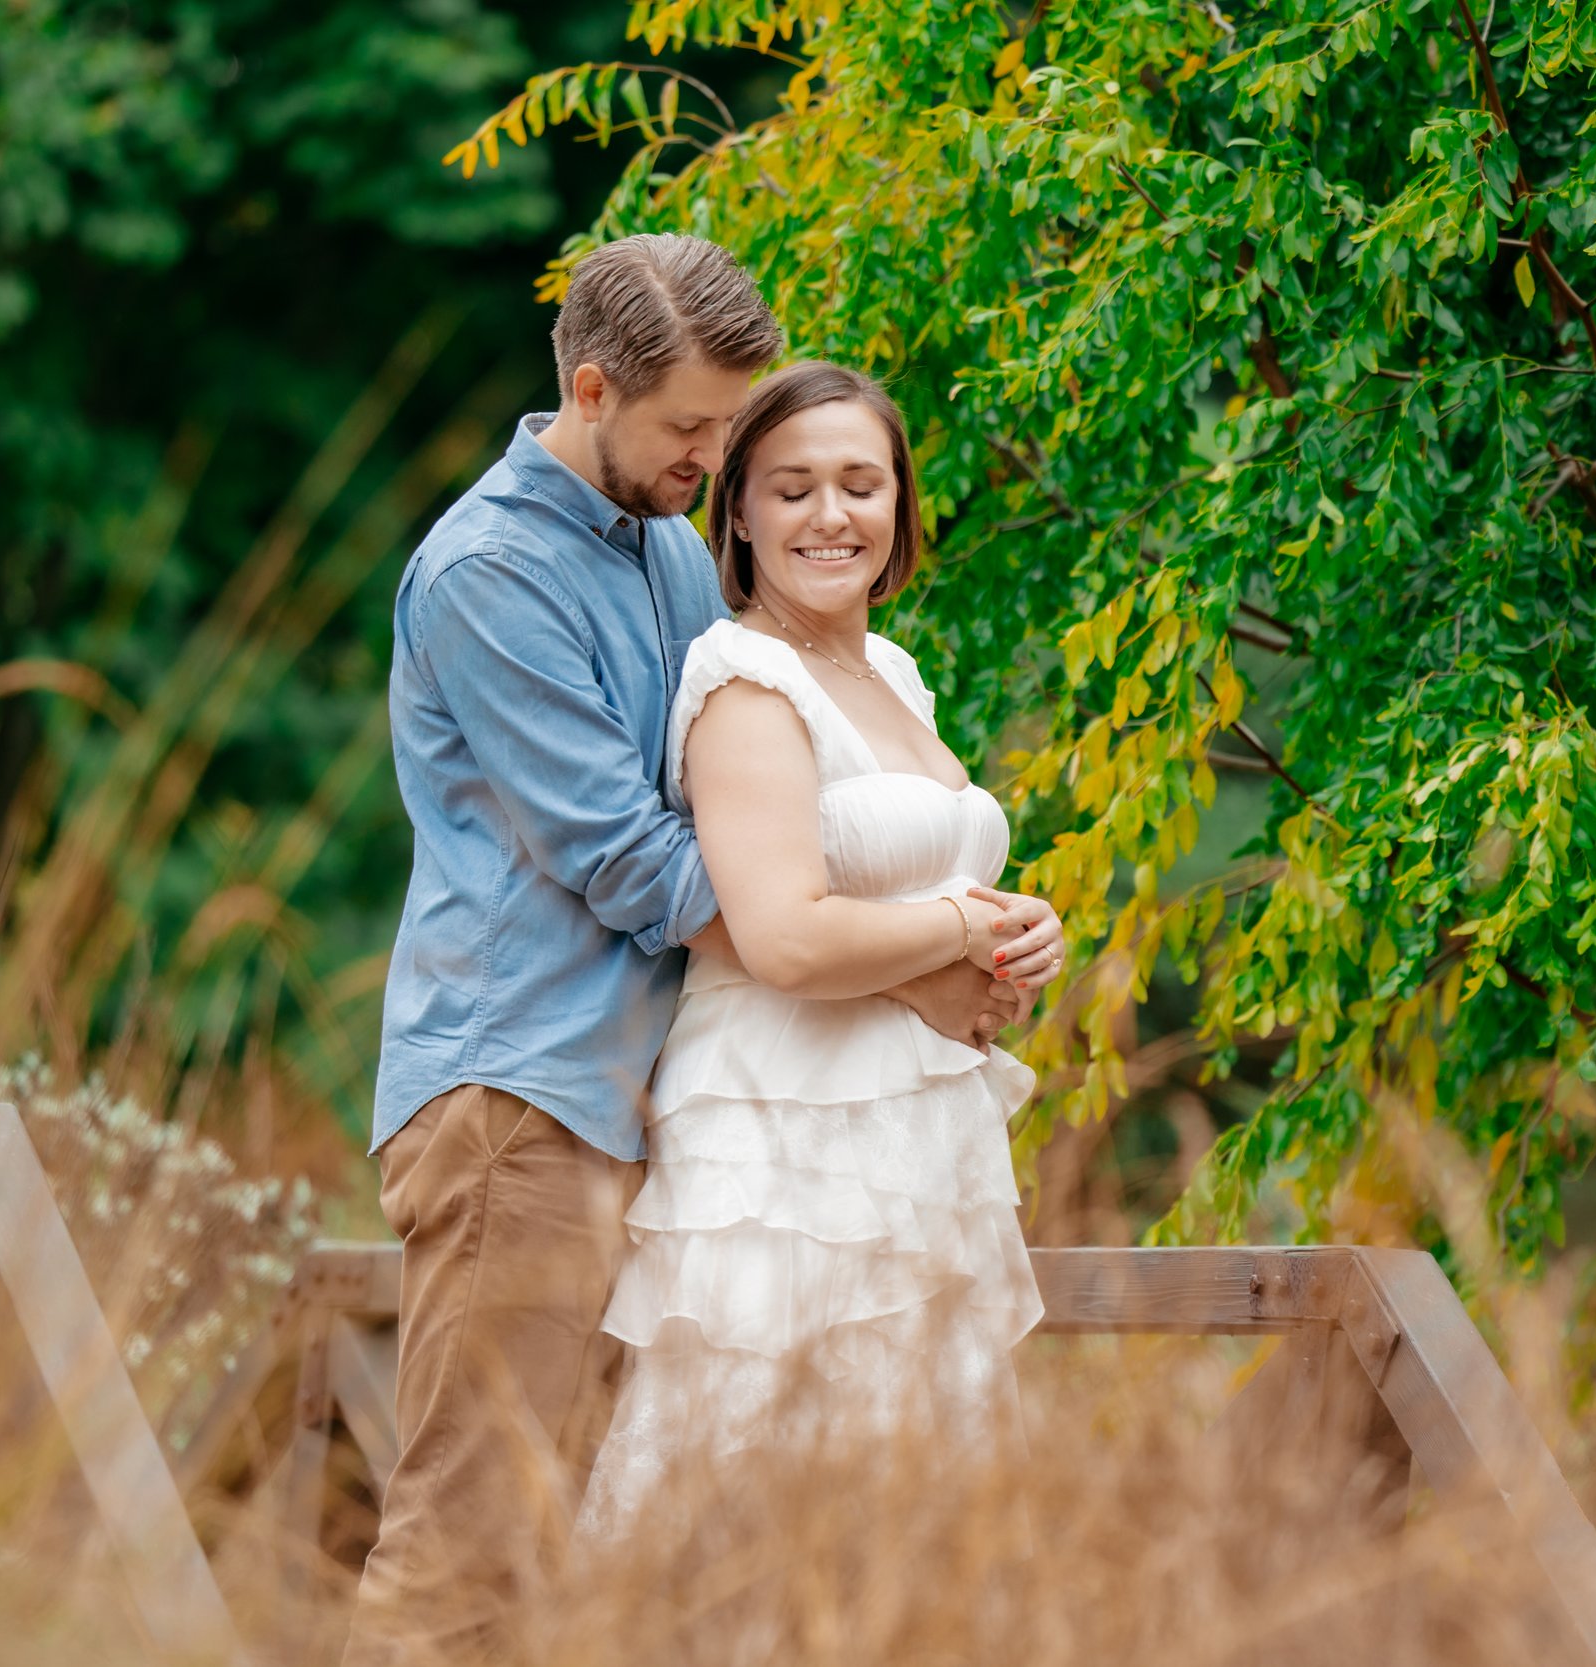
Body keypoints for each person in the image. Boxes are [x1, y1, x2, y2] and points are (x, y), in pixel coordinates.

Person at [349, 239, 1023, 1665]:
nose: (717, 460)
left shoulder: (658, 535)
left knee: (606, 1549)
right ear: (593, 389)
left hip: (661, 1114)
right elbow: (631, 857)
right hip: (518, 1103)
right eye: (694, 429)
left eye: (731, 427)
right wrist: (906, 964)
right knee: (467, 1550)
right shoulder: (488, 571)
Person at [577, 359, 1064, 1537]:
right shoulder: (744, 678)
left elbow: (910, 883)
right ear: (736, 510)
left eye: (861, 483)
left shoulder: (889, 670)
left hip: (913, 1132)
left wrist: (1021, 933)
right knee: (765, 1483)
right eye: (792, 489)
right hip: (783, 1135)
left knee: (916, 1505)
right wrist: (964, 925)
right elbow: (785, 934)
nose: (830, 515)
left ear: (899, 501)